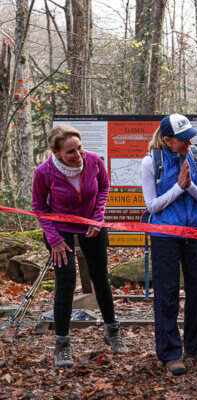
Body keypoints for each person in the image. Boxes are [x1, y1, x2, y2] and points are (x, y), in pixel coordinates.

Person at [32, 125, 128, 368]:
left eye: (79, 148)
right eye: (70, 152)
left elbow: (104, 187)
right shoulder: (44, 172)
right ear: (55, 152)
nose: (78, 155)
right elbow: (39, 207)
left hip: (91, 226)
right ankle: (62, 344)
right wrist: (53, 239)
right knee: (65, 282)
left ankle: (112, 331)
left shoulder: (94, 161)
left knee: (100, 277)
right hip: (59, 229)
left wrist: (97, 216)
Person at [140, 114, 197, 375]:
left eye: (190, 136)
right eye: (182, 139)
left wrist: (189, 185)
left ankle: (196, 346)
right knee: (167, 294)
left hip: (195, 232)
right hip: (164, 236)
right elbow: (152, 206)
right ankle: (170, 353)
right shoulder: (150, 163)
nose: (188, 141)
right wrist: (178, 188)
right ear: (168, 140)